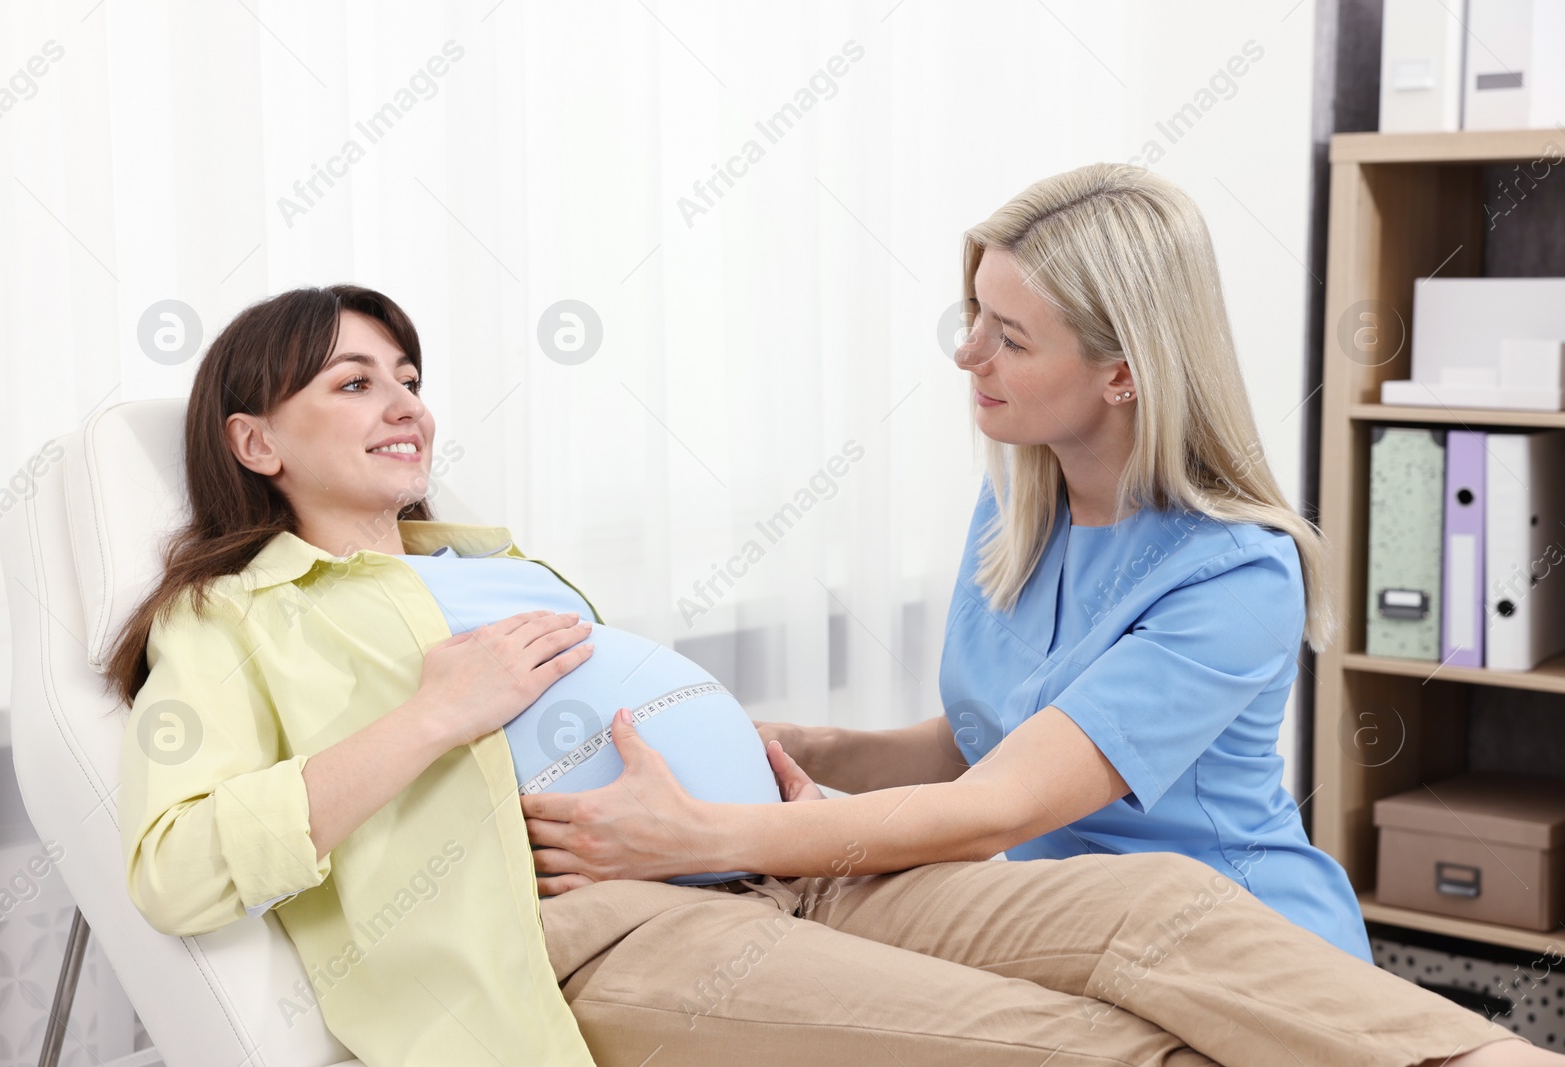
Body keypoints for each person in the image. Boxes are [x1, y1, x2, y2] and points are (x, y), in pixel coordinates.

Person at [110, 281, 1550, 1067]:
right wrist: (436, 714)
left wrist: (751, 763)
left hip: (785, 856)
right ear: (254, 442)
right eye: (350, 382)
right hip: (598, 927)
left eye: (407, 372)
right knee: (1074, 1041)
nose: (402, 399)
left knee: (1163, 905)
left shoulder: (496, 557)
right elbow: (178, 864)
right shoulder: (240, 619)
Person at [522, 162, 1370, 961]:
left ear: (1121, 372)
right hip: (1082, 930)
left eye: (1011, 338)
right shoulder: (1017, 510)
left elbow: (995, 807)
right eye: (973, 315)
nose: (967, 354)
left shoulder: (1236, 577)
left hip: (1243, 946)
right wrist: (796, 746)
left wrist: (701, 833)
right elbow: (990, 743)